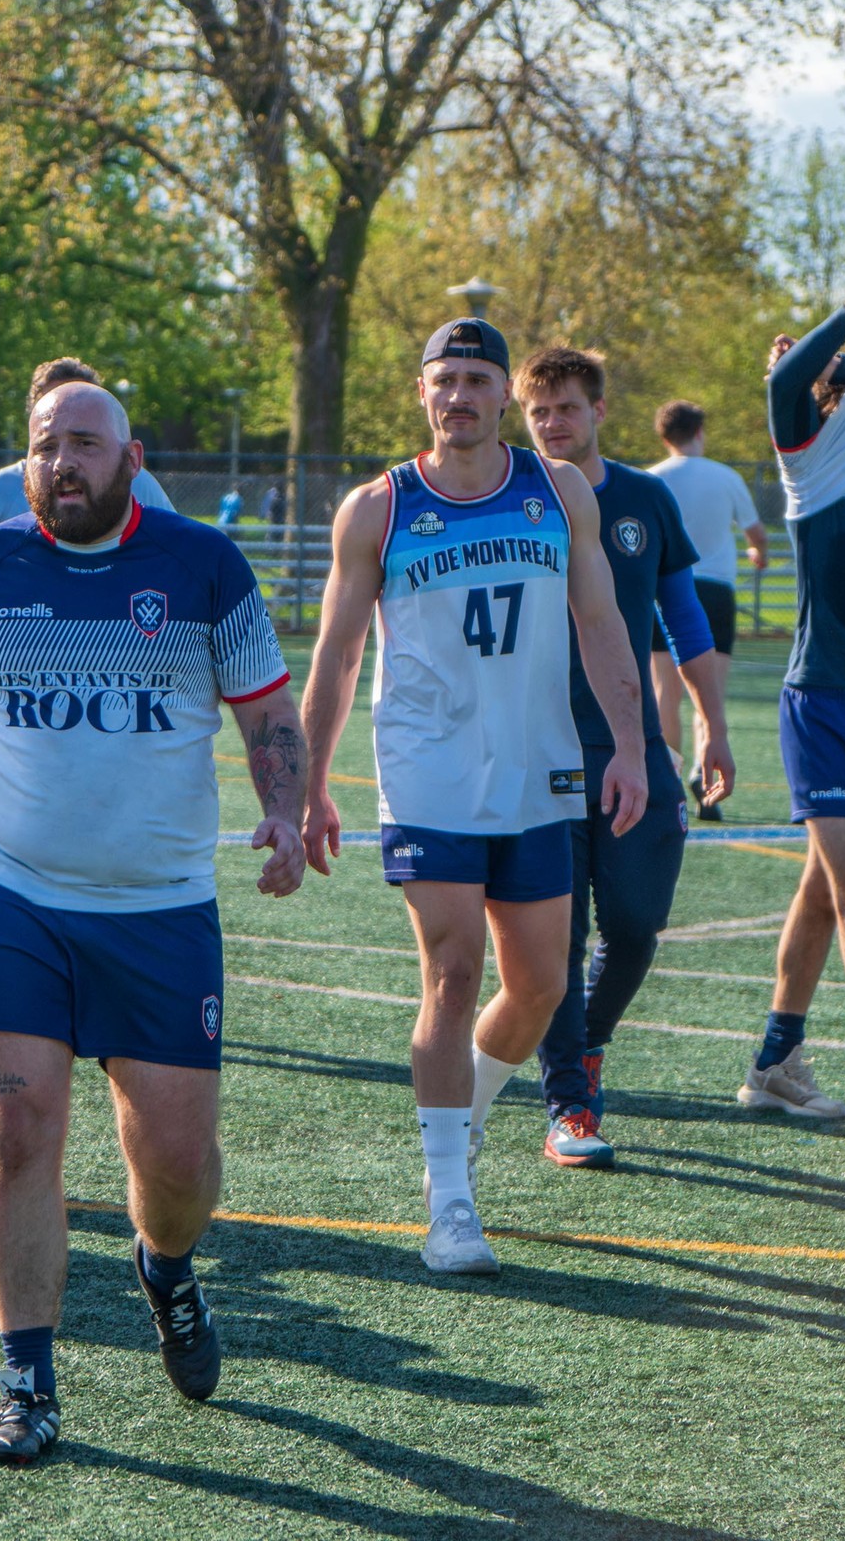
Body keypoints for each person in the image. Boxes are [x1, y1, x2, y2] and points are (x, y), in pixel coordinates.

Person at [0, 381, 317, 1464]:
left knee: (180, 1168)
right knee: (19, 1127)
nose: (63, 462)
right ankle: (27, 1383)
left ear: (132, 458)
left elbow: (269, 714)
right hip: (11, 899)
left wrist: (285, 815)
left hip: (159, 910)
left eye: (84, 444)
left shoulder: (203, 567)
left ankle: (166, 1265)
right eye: (47, 446)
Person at [301, 318, 646, 1275]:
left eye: (475, 380)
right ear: (422, 394)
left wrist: (628, 747)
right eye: (442, 380)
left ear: (505, 395)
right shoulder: (378, 508)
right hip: (427, 775)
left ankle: (468, 1109)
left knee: (537, 986)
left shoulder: (557, 489)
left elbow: (600, 620)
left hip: (538, 773)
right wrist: (310, 781)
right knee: (453, 973)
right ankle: (448, 1197)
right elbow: (335, 656)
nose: (458, 396)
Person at [515, 348, 736, 1167]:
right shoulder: (510, 501)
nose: (552, 424)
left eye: (566, 408)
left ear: (598, 411)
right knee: (558, 935)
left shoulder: (644, 498)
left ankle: (588, 1039)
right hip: (539, 753)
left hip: (634, 747)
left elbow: (681, 618)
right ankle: (569, 1105)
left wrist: (710, 725)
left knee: (636, 926)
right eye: (538, 412)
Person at [737, 296, 845, 1121]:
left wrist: (835, 363)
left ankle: (775, 1061)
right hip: (824, 704)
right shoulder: (812, 458)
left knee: (826, 891)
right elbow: (790, 377)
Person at [0, 358, 173, 596]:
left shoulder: (135, 481)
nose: (67, 410)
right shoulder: (0, 489)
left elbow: (182, 562)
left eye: (83, 439)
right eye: (56, 402)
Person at [648, 399, 768, 821]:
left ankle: (666, 783)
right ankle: (705, 775)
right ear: (701, 432)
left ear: (665, 438)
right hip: (715, 590)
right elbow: (756, 534)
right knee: (709, 696)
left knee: (666, 693)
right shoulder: (727, 476)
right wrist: (758, 553)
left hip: (664, 589)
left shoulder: (651, 479)